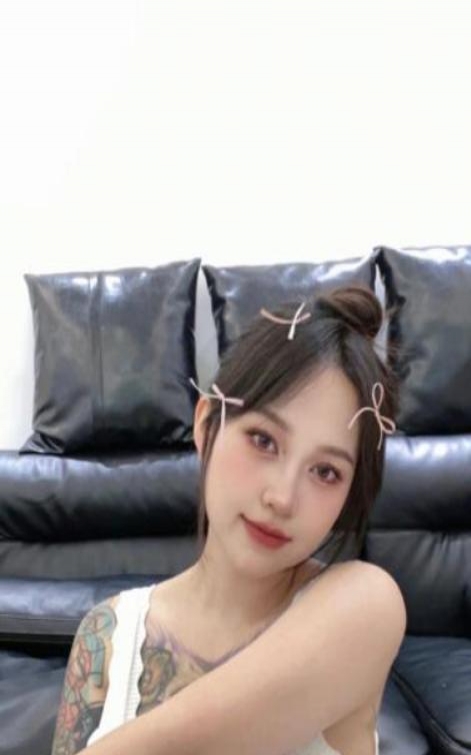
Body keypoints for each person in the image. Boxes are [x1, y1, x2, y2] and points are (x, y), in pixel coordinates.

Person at [50, 284, 406, 755]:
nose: (282, 498)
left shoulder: (366, 606)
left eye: (326, 472)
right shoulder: (107, 634)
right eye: (263, 440)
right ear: (206, 426)